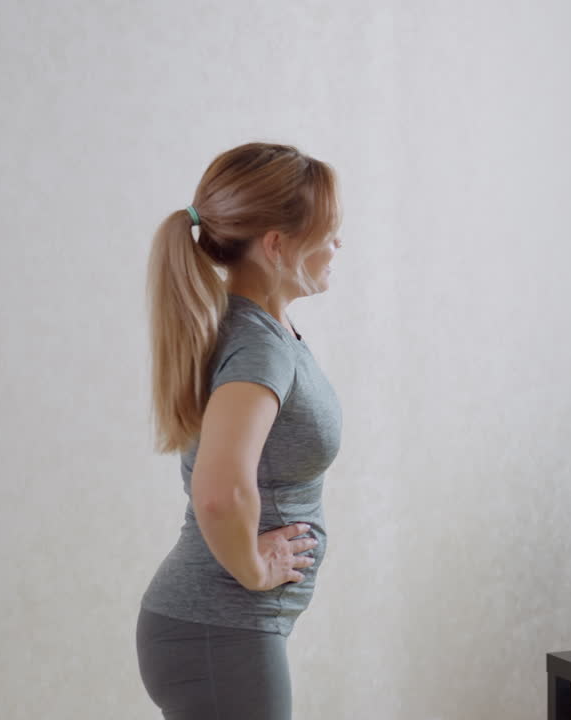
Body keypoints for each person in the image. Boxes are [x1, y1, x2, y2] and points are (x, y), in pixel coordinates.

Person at [137, 142, 344, 719]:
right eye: (329, 231)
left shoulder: (264, 334)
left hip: (219, 630)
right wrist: (254, 570)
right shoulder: (258, 348)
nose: (338, 245)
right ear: (277, 245)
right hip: (218, 631)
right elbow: (219, 493)